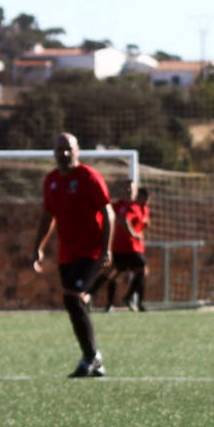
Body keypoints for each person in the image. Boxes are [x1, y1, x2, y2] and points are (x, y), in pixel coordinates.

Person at [31, 132, 116, 377]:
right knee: (75, 302)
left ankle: (91, 357)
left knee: (72, 298)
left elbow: (108, 213)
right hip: (67, 254)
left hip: (91, 251)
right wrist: (38, 247)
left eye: (68, 148)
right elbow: (48, 217)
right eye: (60, 149)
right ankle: (93, 359)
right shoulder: (51, 181)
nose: (64, 153)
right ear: (54, 152)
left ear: (78, 150)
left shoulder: (89, 177)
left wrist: (106, 248)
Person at [96, 184, 151, 312]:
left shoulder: (142, 209)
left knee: (115, 274)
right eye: (127, 189)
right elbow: (123, 220)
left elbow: (142, 224)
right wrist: (134, 234)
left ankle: (132, 301)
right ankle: (128, 298)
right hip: (125, 247)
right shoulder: (123, 206)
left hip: (134, 247)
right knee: (140, 270)